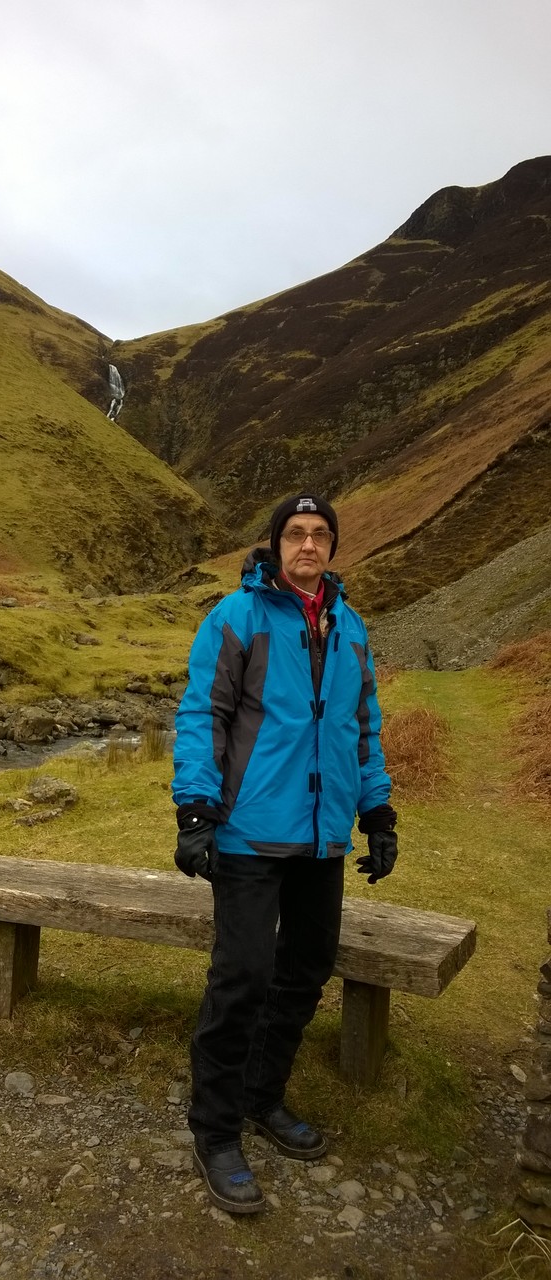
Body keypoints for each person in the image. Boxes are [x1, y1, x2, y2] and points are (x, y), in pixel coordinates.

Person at [171, 492, 398, 1215]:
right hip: (247, 833)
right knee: (242, 974)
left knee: (304, 969)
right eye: (295, 534)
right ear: (274, 545)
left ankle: (261, 1099)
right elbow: (202, 712)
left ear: (332, 546)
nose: (308, 545)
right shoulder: (236, 617)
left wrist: (378, 811)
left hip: (324, 837)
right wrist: (197, 809)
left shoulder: (351, 628)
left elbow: (364, 728)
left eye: (320, 534)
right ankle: (214, 1130)